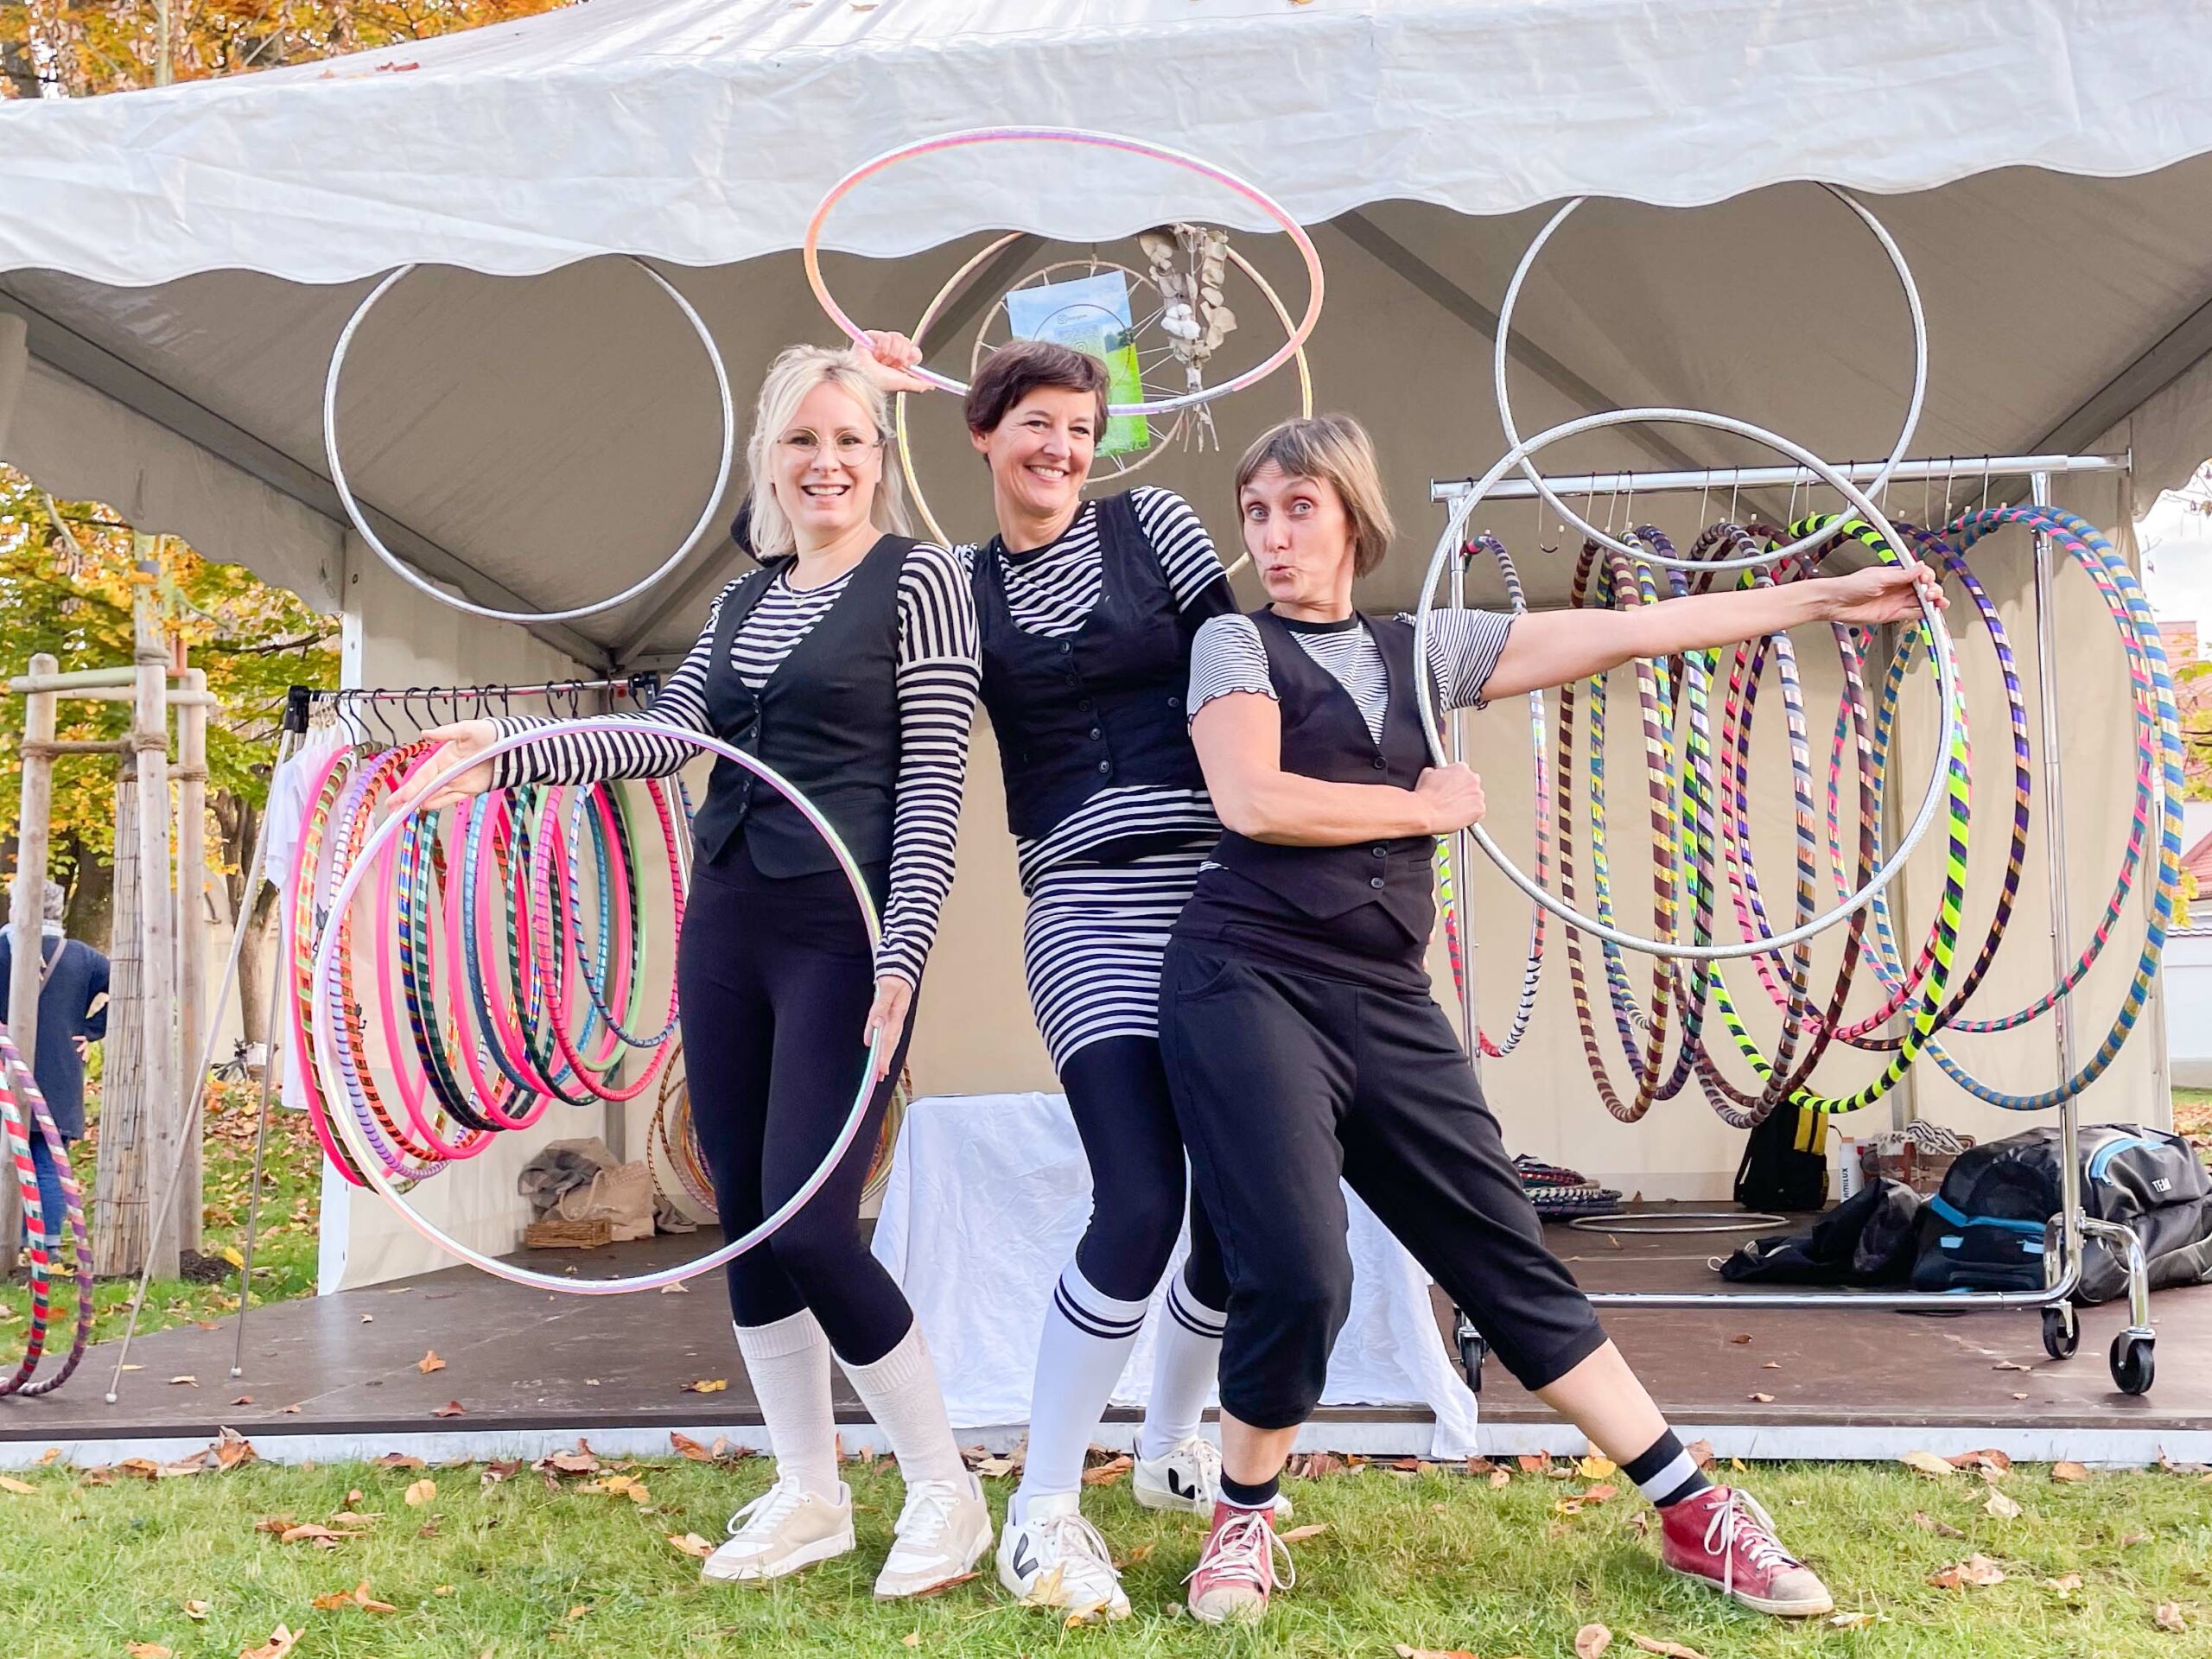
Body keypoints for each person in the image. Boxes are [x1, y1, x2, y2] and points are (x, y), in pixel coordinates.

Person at [1160, 413, 1946, 1626]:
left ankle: (1692, 1510)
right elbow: (1253, 800)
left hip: (1380, 994)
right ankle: (1242, 1525)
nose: (1273, 534)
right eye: (1258, 511)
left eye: (1299, 508)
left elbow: (1629, 632)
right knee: (1300, 1274)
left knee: (1501, 1248)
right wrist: (1423, 811)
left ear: (1353, 518)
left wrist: (1818, 600)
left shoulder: (1428, 649)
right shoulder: (1232, 643)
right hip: (1247, 982)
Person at [394, 346, 990, 1599]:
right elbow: (663, 734)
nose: (827, 463)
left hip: (849, 929)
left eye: (851, 441)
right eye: (802, 442)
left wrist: (905, 952)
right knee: (745, 1222)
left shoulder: (924, 578)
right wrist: (506, 750)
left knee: (815, 1221)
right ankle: (810, 1492)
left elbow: (934, 785)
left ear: (885, 458)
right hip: (729, 920)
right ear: (771, 460)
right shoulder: (745, 598)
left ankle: (944, 1489)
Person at [865, 332, 1243, 1620]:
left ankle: (1167, 1450)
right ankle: (1042, 1508)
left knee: (1241, 1209)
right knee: (1140, 1198)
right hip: (1080, 901)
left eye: (1081, 429)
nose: (1062, 450)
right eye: (1035, 423)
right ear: (983, 432)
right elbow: (825, 554)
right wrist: (862, 387)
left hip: (1218, 886)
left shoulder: (1161, 527)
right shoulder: (954, 586)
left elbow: (1250, 674)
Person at [0, 882, 109, 1248]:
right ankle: (45, 1243)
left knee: (11, 1158)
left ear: (19, 909)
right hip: (60, 1069)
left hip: (7, 1067)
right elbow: (129, 987)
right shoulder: (82, 957)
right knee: (47, 1159)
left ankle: (11, 1239)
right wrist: (92, 1030)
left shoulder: (2, 949)